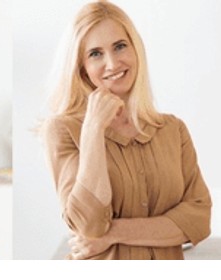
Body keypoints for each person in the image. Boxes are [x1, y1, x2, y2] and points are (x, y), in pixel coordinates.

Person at [44, 0, 210, 260]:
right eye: (95, 53)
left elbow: (198, 219)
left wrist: (112, 234)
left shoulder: (173, 130)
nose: (112, 63)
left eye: (120, 46)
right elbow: (89, 225)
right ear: (82, 69)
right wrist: (93, 129)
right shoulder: (63, 129)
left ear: (135, 50)